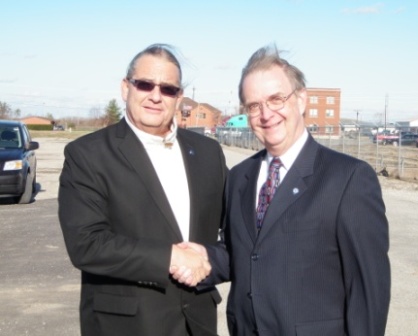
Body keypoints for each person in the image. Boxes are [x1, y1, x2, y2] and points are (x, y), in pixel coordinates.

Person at [173, 45, 391, 335]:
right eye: (253, 106)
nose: (266, 114)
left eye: (276, 99)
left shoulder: (348, 178)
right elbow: (245, 253)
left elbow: (368, 288)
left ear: (301, 100)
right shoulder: (240, 178)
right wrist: (203, 257)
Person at [58, 44, 227, 336]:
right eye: (145, 84)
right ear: (126, 88)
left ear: (179, 98)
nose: (155, 96)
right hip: (126, 325)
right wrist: (170, 257)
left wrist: (210, 259)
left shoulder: (209, 152)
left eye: (168, 89)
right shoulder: (87, 154)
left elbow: (237, 230)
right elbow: (86, 244)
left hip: (198, 322)